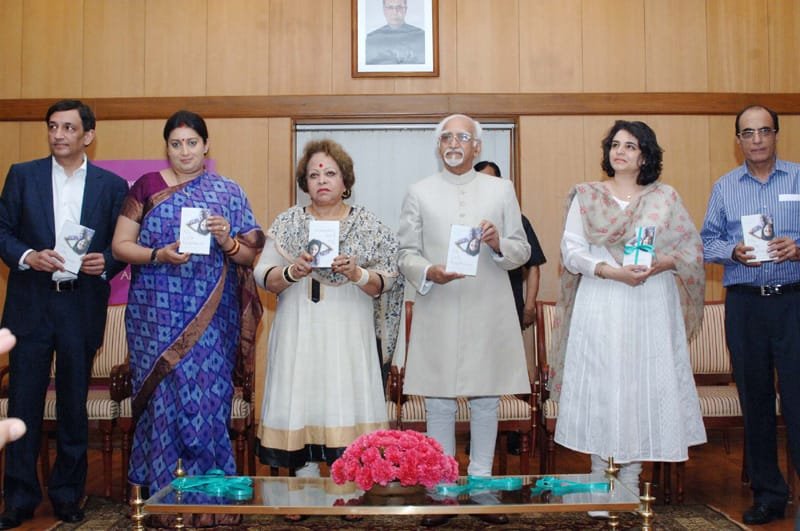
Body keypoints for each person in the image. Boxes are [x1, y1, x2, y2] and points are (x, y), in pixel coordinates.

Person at [111, 111, 265, 521]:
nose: (184, 151)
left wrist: (226, 240)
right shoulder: (147, 187)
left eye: (192, 143)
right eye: (176, 144)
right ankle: (162, 501)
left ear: (206, 145)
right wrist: (157, 254)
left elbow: (249, 255)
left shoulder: (228, 191)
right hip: (155, 317)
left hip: (212, 319)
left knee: (206, 400)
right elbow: (120, 245)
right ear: (167, 147)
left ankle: (208, 501)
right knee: (163, 401)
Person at [550, 120, 707, 500]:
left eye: (630, 146)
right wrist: (611, 271)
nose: (620, 151)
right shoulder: (587, 196)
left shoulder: (664, 198)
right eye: (615, 145)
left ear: (645, 156)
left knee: (639, 388)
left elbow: (690, 251)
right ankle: (598, 480)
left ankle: (631, 484)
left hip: (649, 304)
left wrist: (661, 263)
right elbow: (572, 252)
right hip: (602, 300)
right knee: (602, 387)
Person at [0, 99, 128, 529]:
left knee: (74, 405)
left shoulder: (111, 186)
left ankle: (69, 495)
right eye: (53, 126)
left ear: (88, 135)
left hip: (81, 303)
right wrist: (27, 256)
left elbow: (122, 243)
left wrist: (106, 262)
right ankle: (18, 498)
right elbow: (2, 231)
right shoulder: (23, 175)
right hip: (31, 304)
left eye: (69, 128)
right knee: (24, 403)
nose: (59, 135)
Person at [398, 114, 531, 527]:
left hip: (487, 305)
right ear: (438, 146)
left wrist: (498, 242)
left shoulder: (501, 189)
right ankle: (442, 490)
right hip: (438, 303)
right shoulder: (419, 191)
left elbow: (522, 250)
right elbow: (405, 253)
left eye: (462, 137)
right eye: (446, 137)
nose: (454, 143)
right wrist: (429, 271)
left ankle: (482, 485)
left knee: (486, 397)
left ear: (477, 147)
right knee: (438, 399)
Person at [254, 139, 401, 482]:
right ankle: (304, 486)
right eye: (314, 174)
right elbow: (262, 275)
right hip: (299, 329)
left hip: (347, 331)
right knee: (301, 401)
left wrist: (356, 272)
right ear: (304, 183)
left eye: (330, 173)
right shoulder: (289, 223)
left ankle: (348, 491)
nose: (322, 180)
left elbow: (388, 280)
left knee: (344, 400)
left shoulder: (368, 226)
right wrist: (293, 271)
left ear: (345, 181)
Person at [700, 105, 800, 526]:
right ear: (738, 140)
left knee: (797, 399)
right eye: (748, 133)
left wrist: (798, 248)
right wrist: (732, 251)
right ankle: (768, 495)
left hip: (793, 301)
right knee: (755, 401)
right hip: (745, 305)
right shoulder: (724, 187)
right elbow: (706, 242)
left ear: (776, 134)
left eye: (764, 131)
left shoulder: (798, 178)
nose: (756, 139)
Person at [474, 160, 546, 456]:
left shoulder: (517, 219)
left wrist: (529, 305)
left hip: (509, 307)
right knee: (477, 373)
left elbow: (534, 265)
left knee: (507, 371)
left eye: (491, 180)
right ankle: (477, 437)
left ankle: (514, 434)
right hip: (471, 307)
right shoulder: (463, 218)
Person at [365, 0, 425, 65]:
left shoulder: (422, 37)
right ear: (384, 10)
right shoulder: (371, 39)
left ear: (405, 10)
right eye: (390, 7)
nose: (395, 12)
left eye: (399, 7)